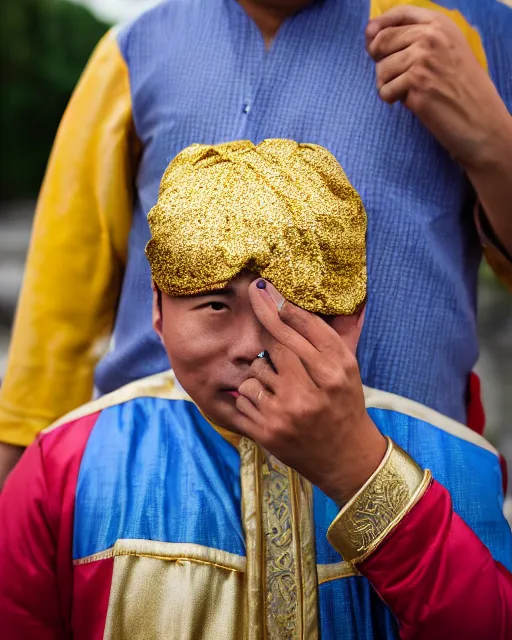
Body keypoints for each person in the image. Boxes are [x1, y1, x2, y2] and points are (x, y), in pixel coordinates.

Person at [0, 140, 510, 639]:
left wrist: (360, 470)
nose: (252, 347)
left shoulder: (458, 464)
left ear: (352, 319)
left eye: (294, 311)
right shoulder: (64, 472)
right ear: (157, 308)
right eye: (216, 306)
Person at [1, 0, 512, 488]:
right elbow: (61, 296)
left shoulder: (482, 36)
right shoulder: (134, 49)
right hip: (154, 499)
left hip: (409, 483)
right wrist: (18, 473)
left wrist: (494, 143)